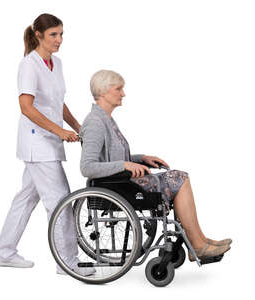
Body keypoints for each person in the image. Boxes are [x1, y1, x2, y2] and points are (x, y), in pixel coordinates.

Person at [79, 69, 232, 261]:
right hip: (118, 186)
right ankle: (198, 244)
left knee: (179, 177)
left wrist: (141, 158)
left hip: (124, 181)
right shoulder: (95, 122)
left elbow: (113, 158)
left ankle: (200, 240)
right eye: (119, 89)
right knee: (179, 178)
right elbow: (88, 167)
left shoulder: (106, 119)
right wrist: (125, 164)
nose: (123, 93)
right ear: (103, 91)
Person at [0, 13, 95, 275]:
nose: (59, 40)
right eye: (53, 35)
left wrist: (78, 127)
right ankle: (67, 262)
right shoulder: (29, 65)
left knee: (25, 199)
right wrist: (59, 131)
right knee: (60, 200)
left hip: (50, 141)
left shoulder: (56, 63)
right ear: (38, 35)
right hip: (37, 144)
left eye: (61, 34)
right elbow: (26, 107)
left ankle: (4, 252)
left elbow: (56, 102)